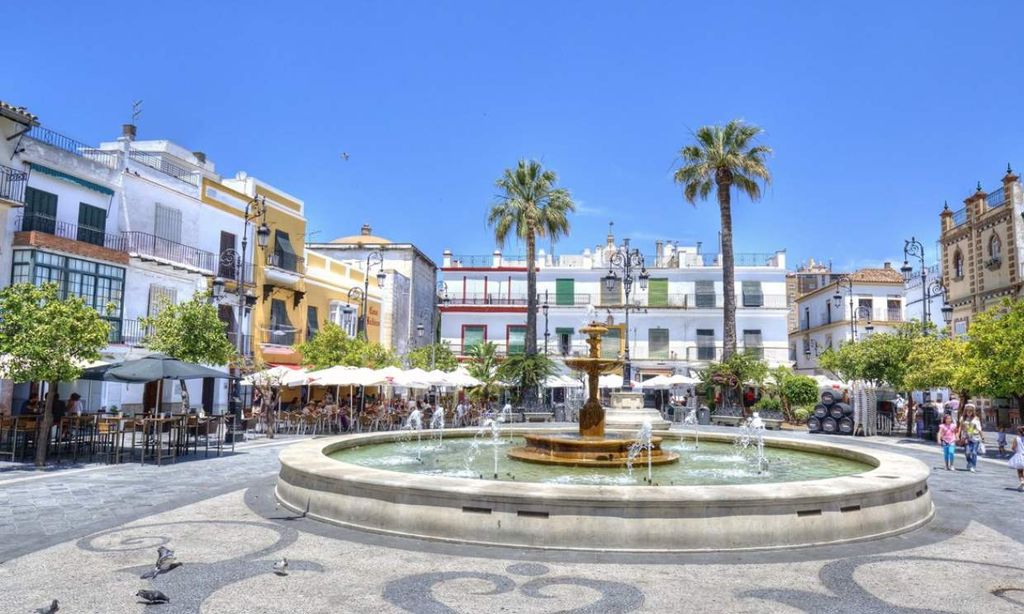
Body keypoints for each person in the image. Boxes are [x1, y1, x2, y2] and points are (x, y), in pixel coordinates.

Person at [957, 403, 984, 473]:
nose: (969, 413)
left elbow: (979, 428)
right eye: (967, 411)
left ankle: (973, 466)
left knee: (974, 452)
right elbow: (960, 427)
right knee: (967, 452)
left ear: (973, 412)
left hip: (975, 437)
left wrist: (982, 436)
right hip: (966, 437)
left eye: (970, 411)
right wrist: (958, 435)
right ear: (965, 411)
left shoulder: (976, 418)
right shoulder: (963, 418)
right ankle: (969, 462)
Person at [1006, 425, 1024, 491]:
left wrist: (1016, 449)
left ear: (1018, 432)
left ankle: (1022, 481)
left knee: (1020, 471)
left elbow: (1013, 448)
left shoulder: (1016, 438)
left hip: (1020, 456)